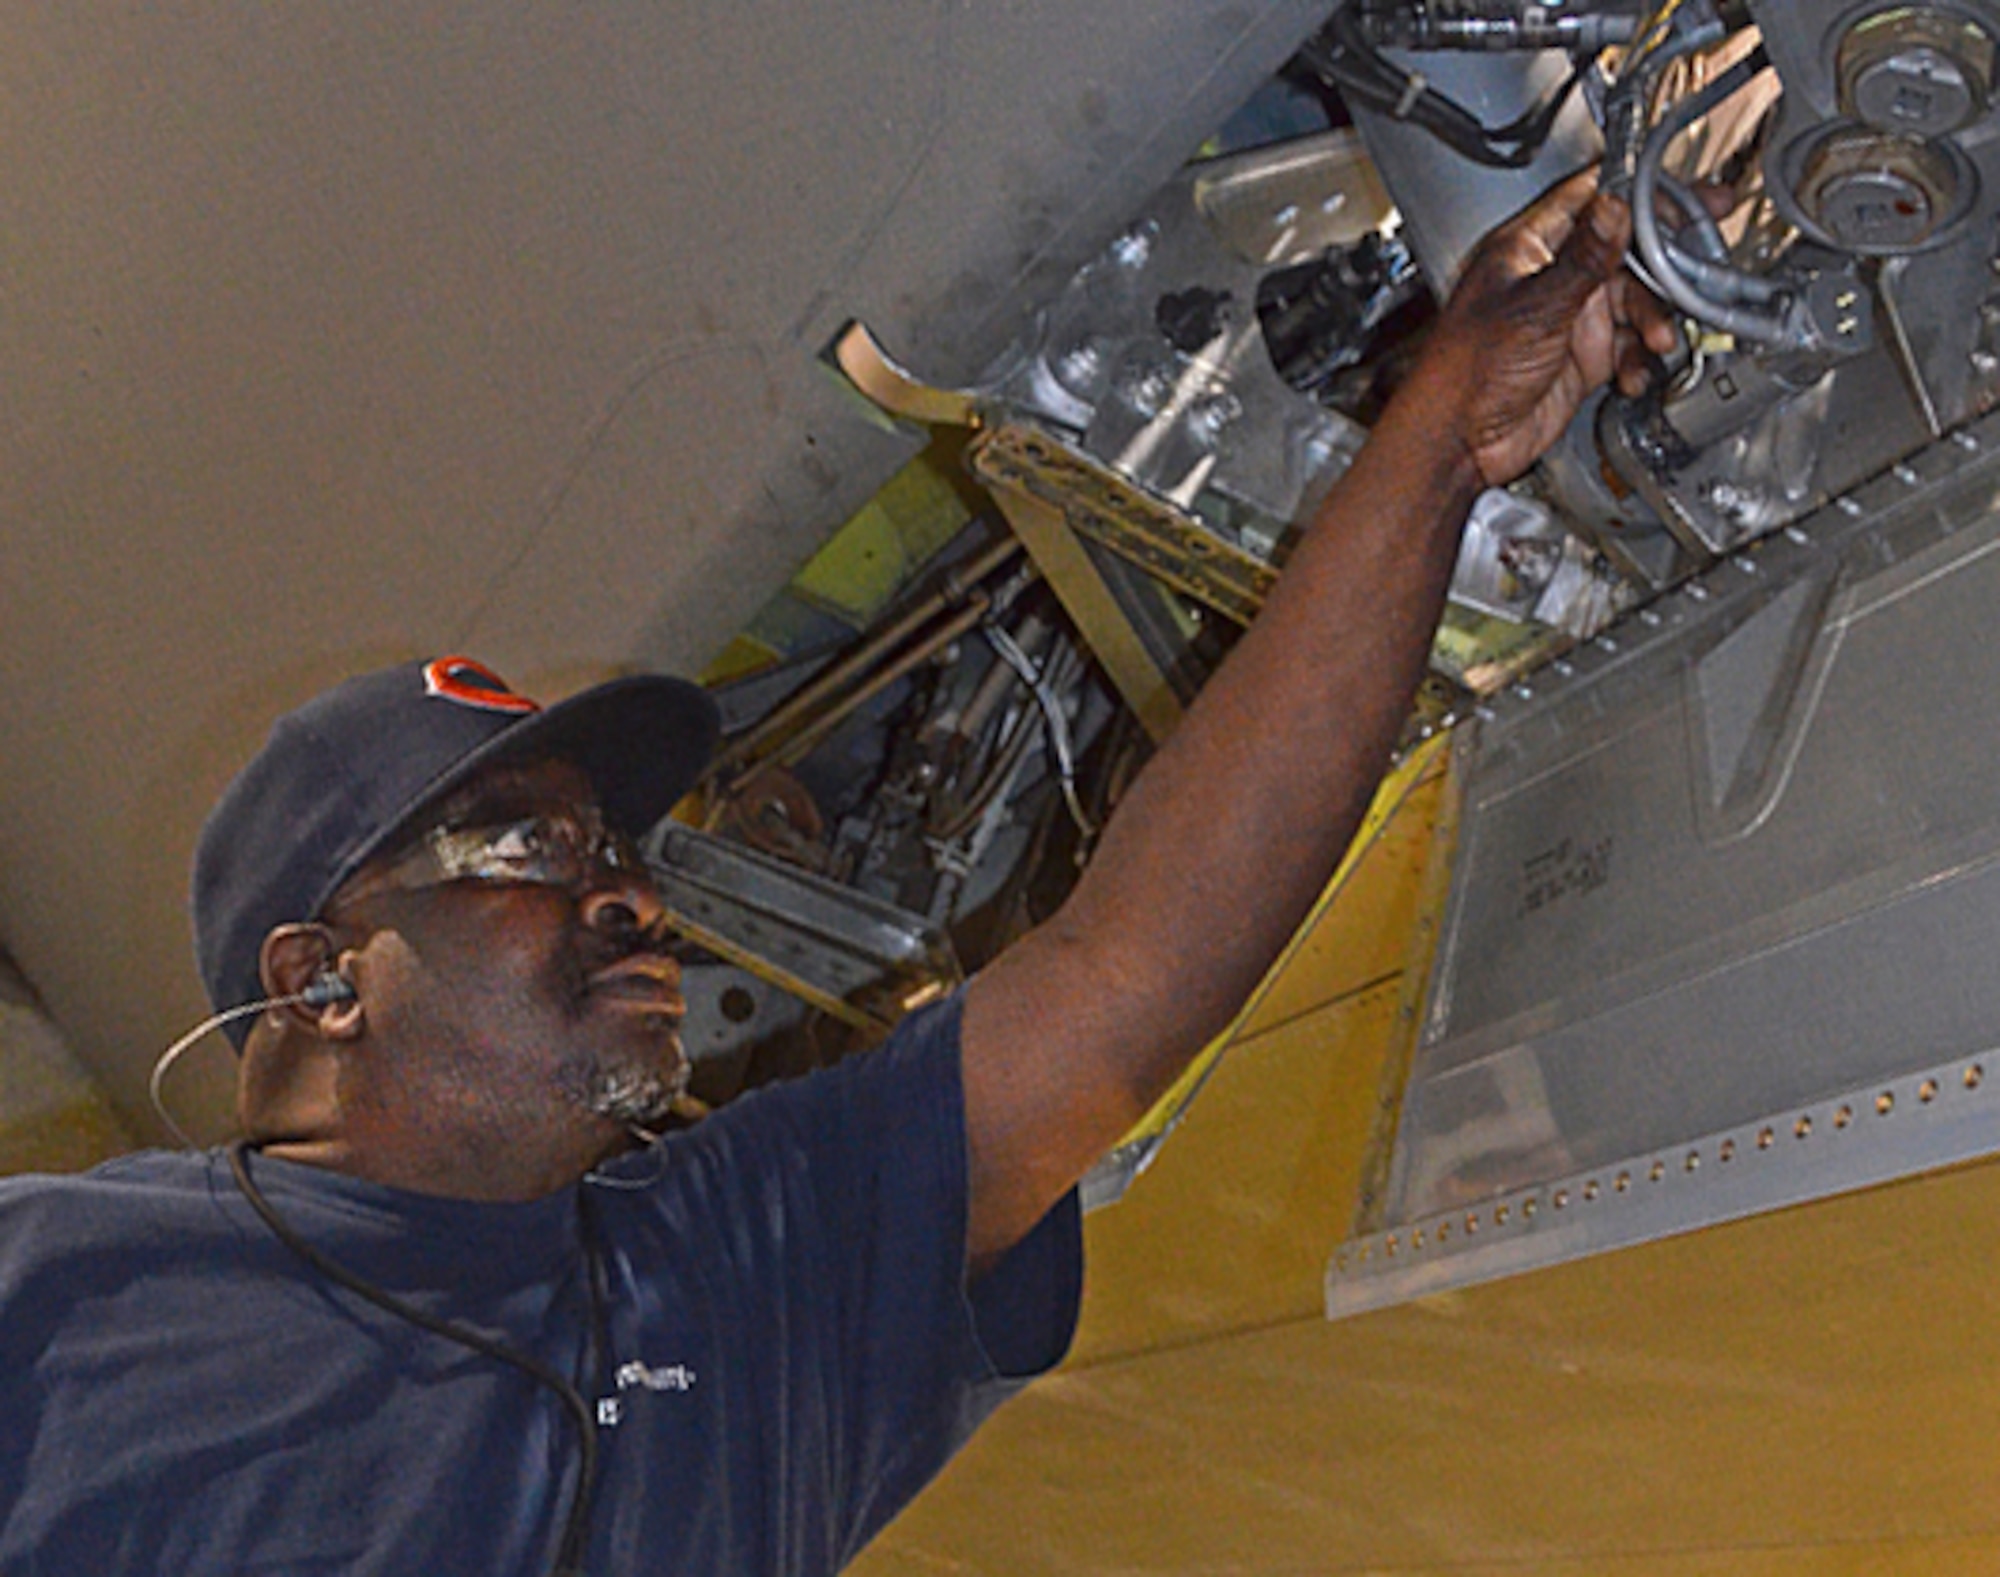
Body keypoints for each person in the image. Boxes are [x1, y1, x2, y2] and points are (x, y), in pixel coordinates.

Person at [0, 173, 1672, 1575]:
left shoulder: (737, 1262)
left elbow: (1122, 972)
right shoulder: (57, 1290)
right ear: (317, 979)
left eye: (617, 851)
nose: (630, 895)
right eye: (523, 848)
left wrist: (1442, 437)